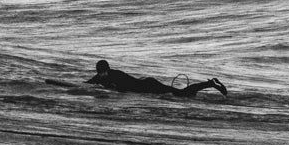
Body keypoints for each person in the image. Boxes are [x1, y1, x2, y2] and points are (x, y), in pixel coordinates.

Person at [85, 60, 227, 98]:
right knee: (181, 94)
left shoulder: (115, 75)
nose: (100, 75)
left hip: (149, 86)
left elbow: (122, 89)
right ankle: (210, 84)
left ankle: (210, 83)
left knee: (182, 93)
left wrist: (111, 88)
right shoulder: (101, 77)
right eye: (100, 73)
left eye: (102, 73)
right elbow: (89, 83)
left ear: (106, 70)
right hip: (147, 87)